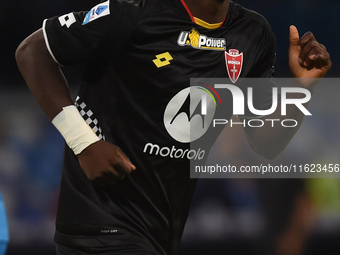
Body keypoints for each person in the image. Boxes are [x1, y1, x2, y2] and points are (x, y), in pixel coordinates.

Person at [15, 0, 331, 254]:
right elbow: (33, 52)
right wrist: (84, 142)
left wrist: (301, 89)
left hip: (161, 231)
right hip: (99, 224)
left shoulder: (253, 34)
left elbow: (265, 142)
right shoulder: (132, 13)